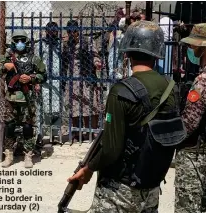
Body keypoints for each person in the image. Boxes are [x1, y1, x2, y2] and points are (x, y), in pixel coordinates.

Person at [67, 21, 185, 212]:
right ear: (157, 54)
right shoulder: (171, 88)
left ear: (127, 53)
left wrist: (88, 169)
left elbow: (111, 149)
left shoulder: (121, 91)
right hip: (152, 185)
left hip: (121, 190)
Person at [174, 23, 206, 213]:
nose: (191, 48)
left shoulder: (204, 79)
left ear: (205, 47)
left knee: (187, 207)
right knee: (200, 203)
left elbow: (189, 123)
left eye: (194, 44)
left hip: (193, 153)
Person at [0, 29, 46, 168]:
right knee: (10, 126)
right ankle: (9, 154)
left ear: (27, 42)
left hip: (27, 97)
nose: (20, 43)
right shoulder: (7, 57)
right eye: (17, 40)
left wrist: (31, 78)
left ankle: (28, 155)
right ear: (13, 42)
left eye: (22, 40)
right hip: (11, 98)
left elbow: (43, 75)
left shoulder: (34, 58)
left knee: (28, 127)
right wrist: (4, 67)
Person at [62, 20, 103, 143]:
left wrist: (97, 63)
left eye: (74, 31)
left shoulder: (88, 41)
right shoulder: (67, 44)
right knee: (73, 105)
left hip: (86, 76)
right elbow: (63, 60)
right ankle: (75, 132)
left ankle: (92, 131)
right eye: (69, 31)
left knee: (91, 104)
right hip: (72, 77)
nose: (72, 34)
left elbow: (96, 55)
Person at [34, 21, 62, 141]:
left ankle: (54, 134)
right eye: (50, 31)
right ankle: (40, 133)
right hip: (43, 80)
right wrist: (36, 81)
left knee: (56, 108)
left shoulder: (60, 45)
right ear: (46, 31)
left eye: (55, 31)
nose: (53, 33)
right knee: (42, 107)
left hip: (57, 79)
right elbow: (36, 63)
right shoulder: (40, 45)